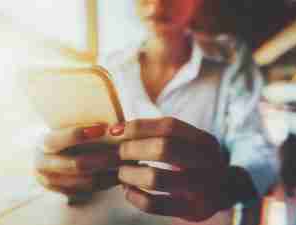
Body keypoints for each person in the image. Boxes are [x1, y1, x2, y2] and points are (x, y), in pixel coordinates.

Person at [35, 0, 278, 223]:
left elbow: (255, 146)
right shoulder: (107, 66)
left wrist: (227, 187)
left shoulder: (232, 57)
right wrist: (59, 164)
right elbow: (72, 145)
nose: (158, 4)